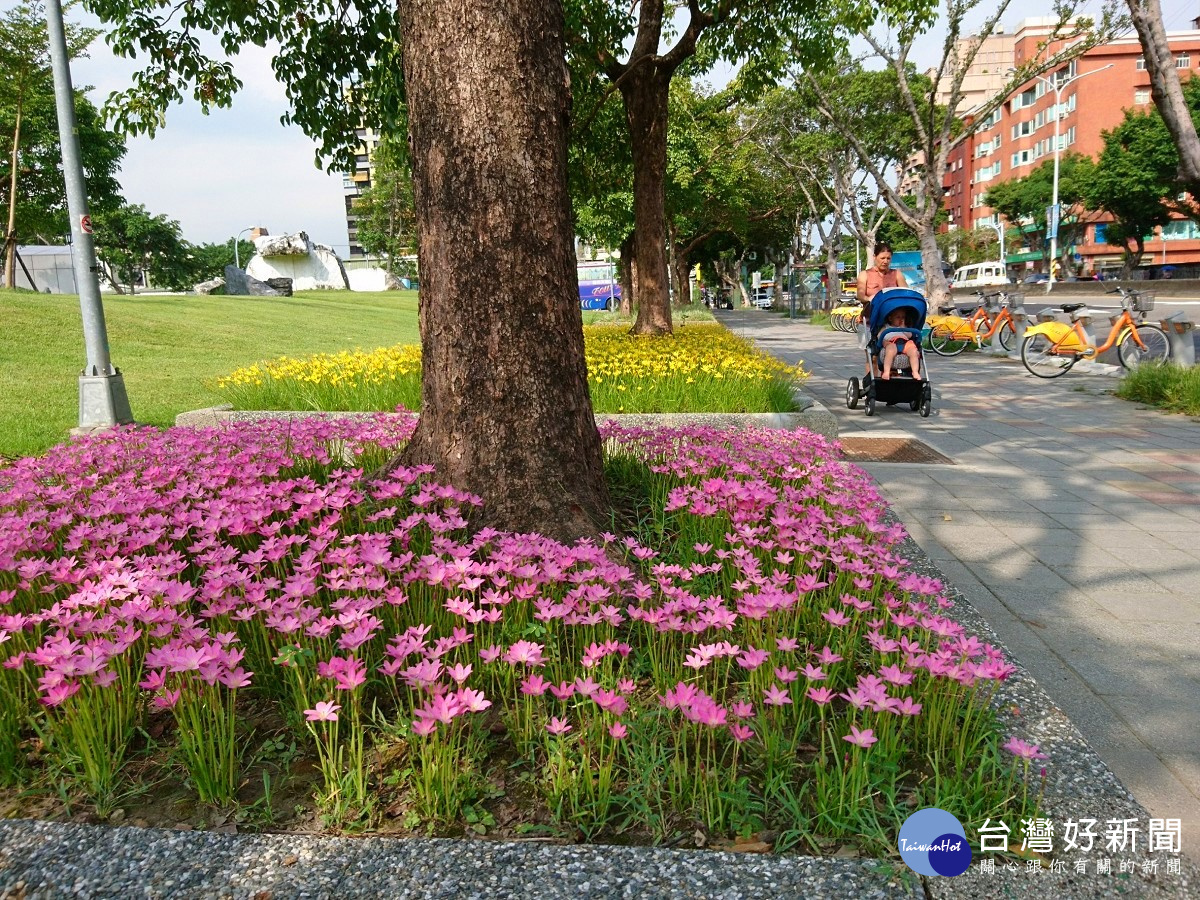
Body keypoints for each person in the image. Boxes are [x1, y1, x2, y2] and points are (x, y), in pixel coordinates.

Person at [856, 243, 908, 375]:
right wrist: (870, 298)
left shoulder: (896, 274)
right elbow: (860, 295)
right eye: (882, 258)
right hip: (870, 321)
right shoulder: (865, 274)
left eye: (888, 258)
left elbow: (906, 293)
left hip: (891, 323)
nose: (885, 261)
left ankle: (891, 385)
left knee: (895, 355)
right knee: (872, 357)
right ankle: (872, 385)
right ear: (875, 257)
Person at [878, 307, 921, 381]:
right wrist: (884, 342)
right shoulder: (886, 327)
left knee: (913, 351)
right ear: (890, 318)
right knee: (890, 351)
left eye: (903, 317)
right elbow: (879, 336)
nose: (901, 319)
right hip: (891, 342)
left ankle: (915, 371)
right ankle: (886, 371)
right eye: (898, 317)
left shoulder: (904, 328)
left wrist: (903, 328)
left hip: (905, 342)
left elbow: (909, 336)